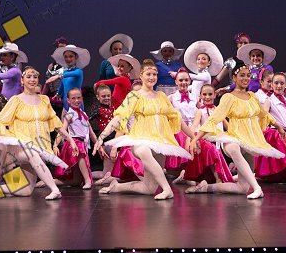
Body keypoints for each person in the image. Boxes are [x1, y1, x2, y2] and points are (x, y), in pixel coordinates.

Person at [92, 59, 192, 200]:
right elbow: (119, 117)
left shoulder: (162, 96)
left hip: (159, 142)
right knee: (142, 150)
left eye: (154, 74)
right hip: (141, 139)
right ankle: (167, 189)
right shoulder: (134, 96)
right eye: (148, 74)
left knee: (149, 188)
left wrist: (194, 138)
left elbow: (178, 119)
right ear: (141, 76)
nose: (152, 77)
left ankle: (116, 187)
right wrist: (101, 137)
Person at [0, 65, 76, 201]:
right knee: (32, 153)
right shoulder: (16, 100)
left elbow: (56, 124)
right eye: (28, 77)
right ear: (22, 80)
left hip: (40, 145)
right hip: (20, 147)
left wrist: (70, 140)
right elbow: (1, 122)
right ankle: (55, 189)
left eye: (35, 77)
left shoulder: (44, 100)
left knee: (26, 190)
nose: (32, 79)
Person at [187, 63, 286, 198]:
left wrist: (278, 126)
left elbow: (264, 114)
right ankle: (258, 188)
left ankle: (204, 188)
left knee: (242, 188)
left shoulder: (252, 96)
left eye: (248, 75)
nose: (246, 78)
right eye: (242, 75)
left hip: (249, 141)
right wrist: (195, 139)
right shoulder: (229, 97)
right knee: (233, 148)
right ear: (234, 77)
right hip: (233, 138)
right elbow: (214, 119)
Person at [53, 87, 99, 189]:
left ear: (82, 98)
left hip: (82, 144)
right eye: (73, 98)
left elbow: (91, 133)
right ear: (68, 100)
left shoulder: (84, 114)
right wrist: (55, 144)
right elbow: (62, 130)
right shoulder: (69, 114)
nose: (76, 100)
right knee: (80, 148)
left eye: (78, 98)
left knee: (76, 181)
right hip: (73, 144)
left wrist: (98, 145)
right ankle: (87, 180)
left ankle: (51, 182)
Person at [45, 44, 90, 110]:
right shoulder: (65, 71)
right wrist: (58, 94)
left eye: (71, 56)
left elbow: (70, 74)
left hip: (76, 105)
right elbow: (62, 85)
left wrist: (58, 76)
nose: (68, 59)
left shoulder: (79, 71)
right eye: (66, 57)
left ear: (76, 57)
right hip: (66, 104)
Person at [42, 37, 68, 110]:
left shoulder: (70, 65)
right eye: (59, 47)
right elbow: (47, 83)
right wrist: (41, 97)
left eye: (63, 48)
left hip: (66, 97)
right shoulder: (51, 66)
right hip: (53, 98)